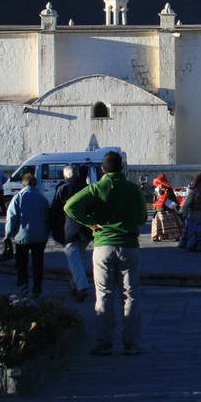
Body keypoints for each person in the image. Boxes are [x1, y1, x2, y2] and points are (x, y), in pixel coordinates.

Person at [65, 150, 148, 356]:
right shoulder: (133, 188)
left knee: (103, 295)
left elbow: (70, 206)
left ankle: (104, 343)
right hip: (129, 245)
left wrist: (91, 223)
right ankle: (131, 343)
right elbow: (141, 218)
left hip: (103, 246)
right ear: (122, 168)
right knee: (131, 296)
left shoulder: (96, 187)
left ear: (103, 169)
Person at [3, 173, 51, 297]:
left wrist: (8, 234)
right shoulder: (42, 199)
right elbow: (47, 217)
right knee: (38, 263)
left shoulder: (18, 197)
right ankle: (37, 287)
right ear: (35, 184)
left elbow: (12, 218)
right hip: (40, 236)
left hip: (22, 235)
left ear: (23, 184)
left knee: (22, 262)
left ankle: (24, 284)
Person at [50, 165, 90, 301]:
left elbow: (56, 211)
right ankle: (74, 284)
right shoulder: (86, 187)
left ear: (65, 176)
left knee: (73, 259)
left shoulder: (62, 189)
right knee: (80, 258)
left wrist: (54, 229)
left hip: (69, 228)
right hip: (86, 228)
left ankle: (82, 286)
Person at [149, 173, 182, 242]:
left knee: (171, 217)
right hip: (160, 209)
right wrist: (159, 195)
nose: (160, 186)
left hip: (168, 209)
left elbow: (174, 200)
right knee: (158, 219)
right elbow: (155, 201)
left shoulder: (168, 190)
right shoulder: (156, 191)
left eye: (161, 184)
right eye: (159, 184)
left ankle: (176, 236)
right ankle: (158, 236)